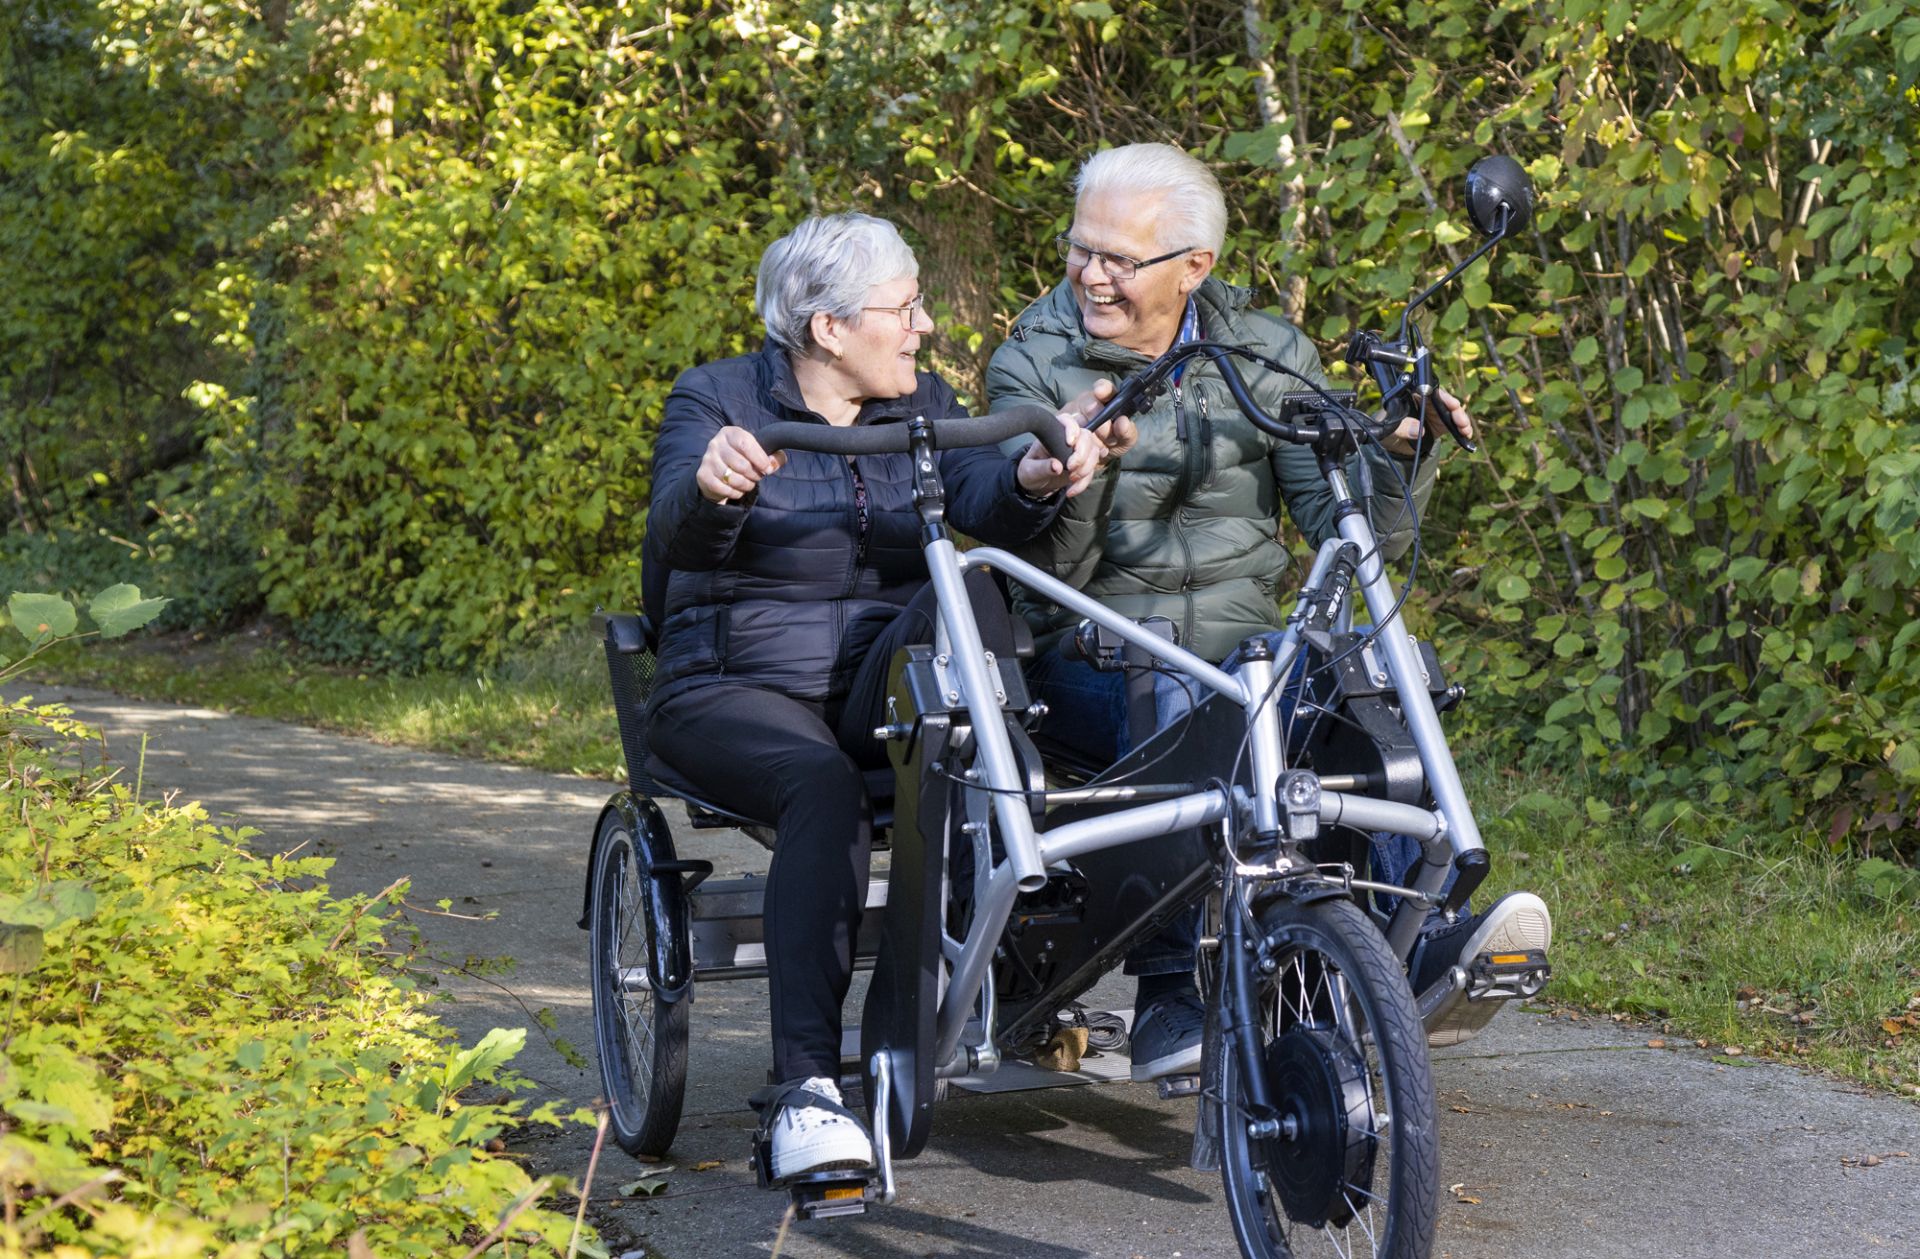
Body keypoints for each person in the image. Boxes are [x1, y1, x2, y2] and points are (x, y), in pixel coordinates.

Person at [985, 143, 1551, 1075]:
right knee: (1180, 690)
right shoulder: (1033, 362)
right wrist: (1075, 468)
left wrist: (1400, 455)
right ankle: (1170, 995)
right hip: (1086, 656)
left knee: (1366, 664)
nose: (1089, 273)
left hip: (1243, 655)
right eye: (1080, 248)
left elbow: (1347, 529)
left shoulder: (1266, 352)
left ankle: (1419, 937)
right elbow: (1039, 560)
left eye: (1117, 258)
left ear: (1193, 267)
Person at [643, 212, 1116, 1183]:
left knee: (972, 593)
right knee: (821, 785)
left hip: (873, 688)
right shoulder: (717, 397)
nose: (924, 327)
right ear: (828, 328)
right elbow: (676, 528)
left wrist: (1035, 474)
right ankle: (805, 1092)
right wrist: (716, 483)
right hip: (733, 688)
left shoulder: (923, 403)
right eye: (904, 309)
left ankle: (986, 961)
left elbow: (984, 490)